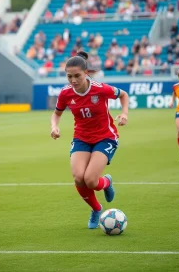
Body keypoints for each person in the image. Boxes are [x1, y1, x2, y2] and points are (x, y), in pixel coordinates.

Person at [50, 50, 129, 229]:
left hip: (105, 137)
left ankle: (106, 181)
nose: (73, 81)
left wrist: (124, 114)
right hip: (81, 138)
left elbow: (123, 95)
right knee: (79, 178)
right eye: (69, 76)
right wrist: (54, 126)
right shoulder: (65, 94)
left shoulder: (100, 89)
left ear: (86, 73)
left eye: (77, 76)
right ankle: (96, 209)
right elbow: (56, 114)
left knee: (91, 181)